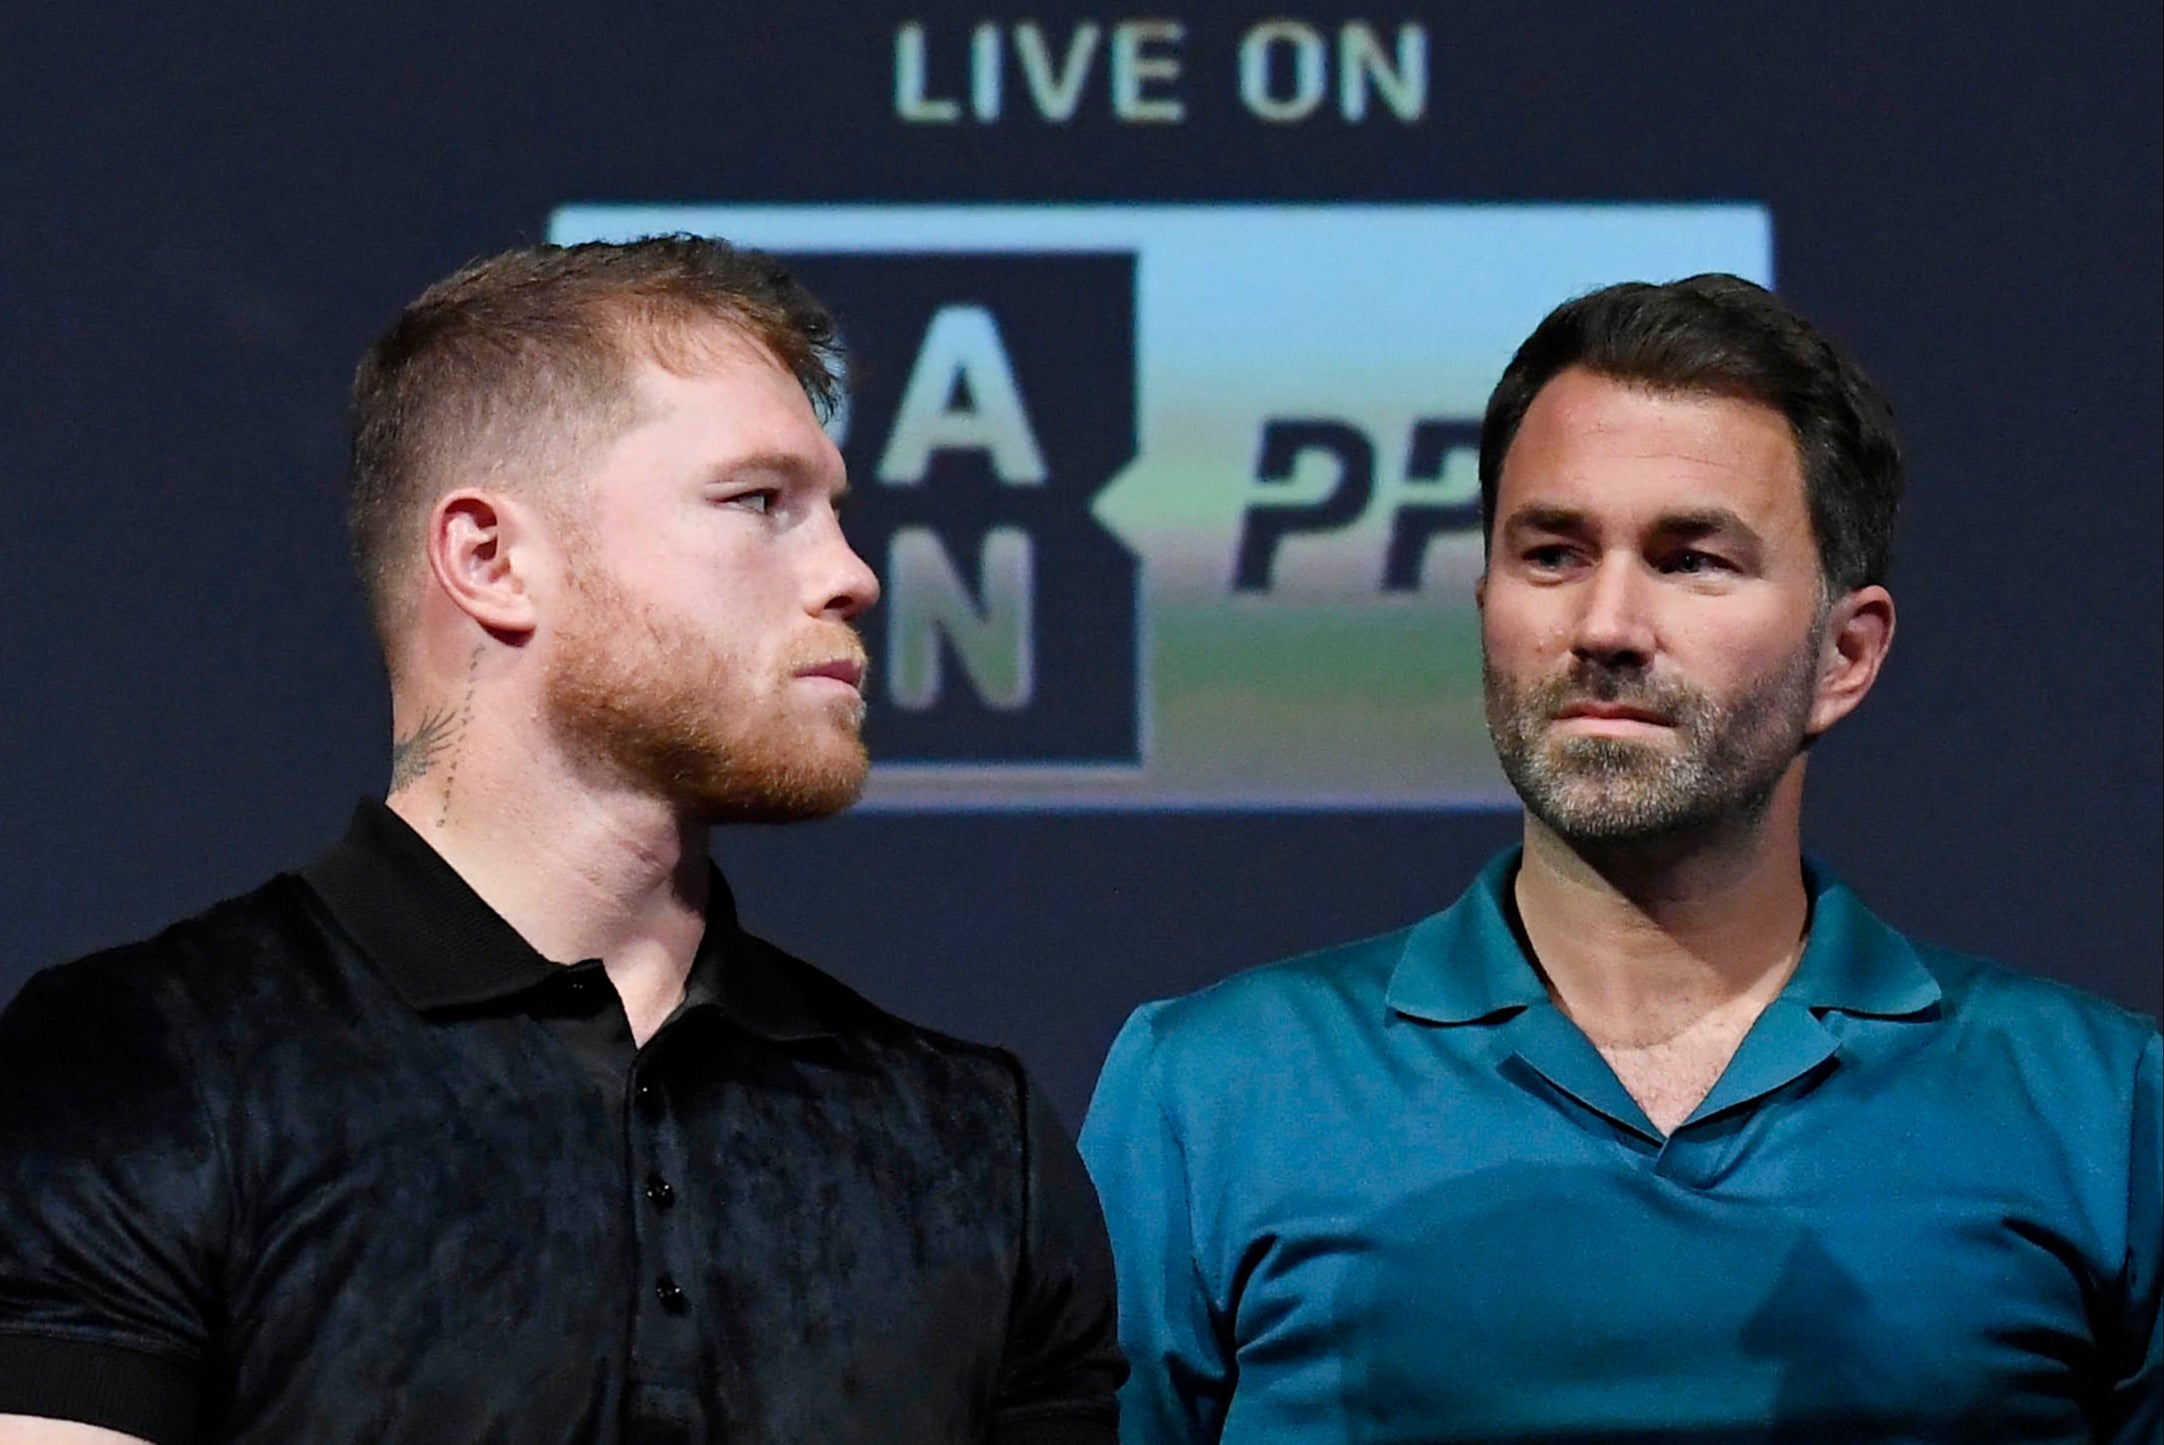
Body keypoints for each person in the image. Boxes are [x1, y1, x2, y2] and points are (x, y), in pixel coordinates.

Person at [0, 237, 1123, 1445]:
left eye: (836, 512)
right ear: (491, 559)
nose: (851, 574)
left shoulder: (970, 1141)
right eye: (759, 502)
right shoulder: (145, 1068)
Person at [1079, 274, 2159, 1444]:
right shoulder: (1211, 1090)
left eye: (1691, 558)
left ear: (1845, 654)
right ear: (1484, 594)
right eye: (1551, 552)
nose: (1604, 624)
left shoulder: (2100, 1110)